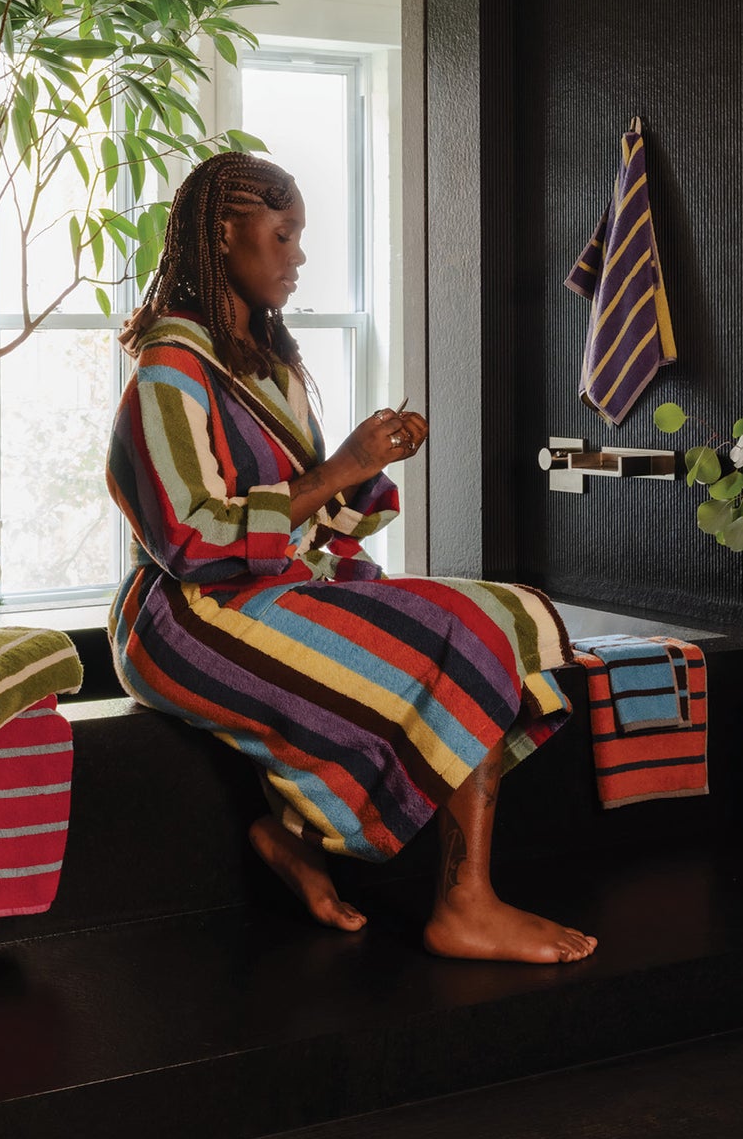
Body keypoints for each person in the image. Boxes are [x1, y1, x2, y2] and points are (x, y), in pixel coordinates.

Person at [106, 151, 597, 965]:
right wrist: (341, 468)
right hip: (184, 621)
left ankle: (296, 833)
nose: (298, 256)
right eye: (285, 234)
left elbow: (303, 512)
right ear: (225, 235)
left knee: (509, 611)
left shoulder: (266, 366)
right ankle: (463, 904)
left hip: (263, 590)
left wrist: (364, 464)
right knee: (462, 630)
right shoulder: (172, 370)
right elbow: (191, 541)